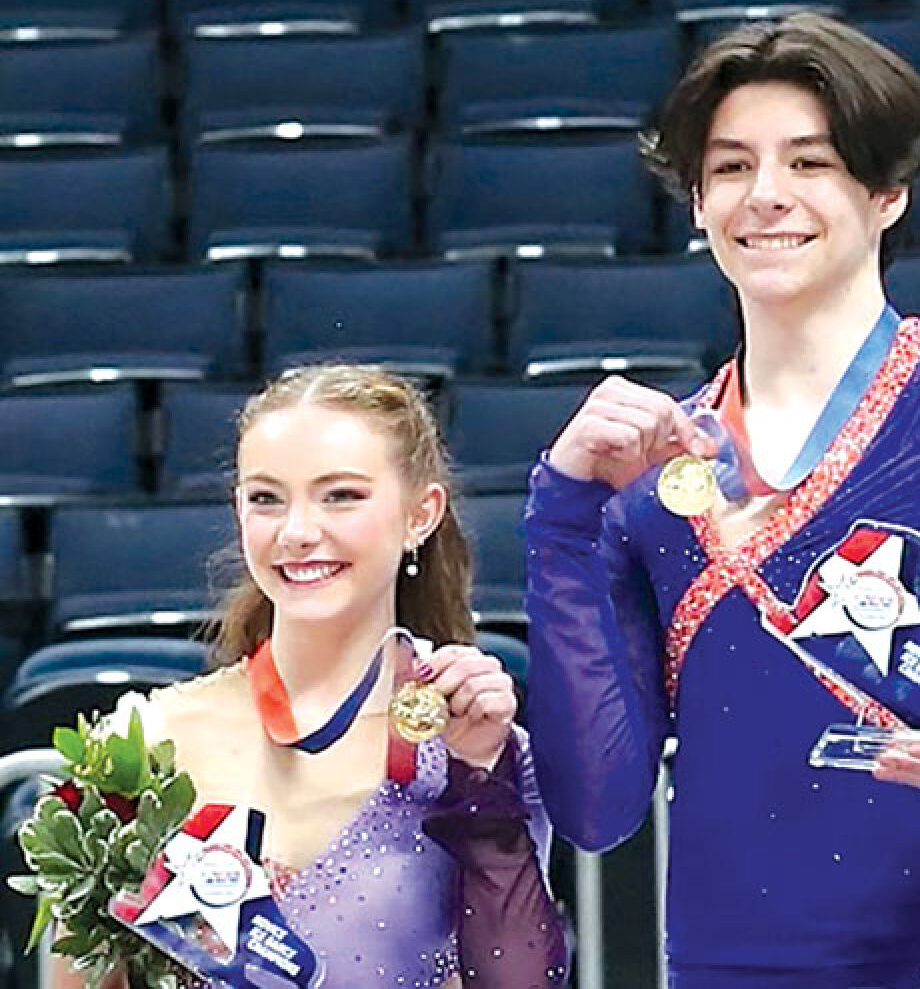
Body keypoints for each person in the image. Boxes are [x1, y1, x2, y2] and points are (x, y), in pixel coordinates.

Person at [524, 13, 920, 989]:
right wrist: (559, 515)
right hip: (724, 967)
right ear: (696, 203)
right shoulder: (651, 475)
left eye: (810, 163)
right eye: (729, 168)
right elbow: (599, 810)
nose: (766, 197)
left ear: (888, 190)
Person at [54, 365, 568, 989]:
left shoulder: (476, 748)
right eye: (266, 498)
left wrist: (481, 787)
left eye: (341, 496)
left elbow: (522, 981)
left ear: (421, 514)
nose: (298, 532)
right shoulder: (141, 740)